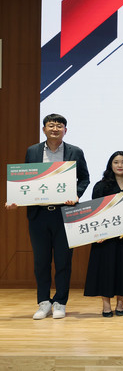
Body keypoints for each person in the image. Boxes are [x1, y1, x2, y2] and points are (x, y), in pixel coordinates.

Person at [5, 114, 89, 320]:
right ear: (44, 129)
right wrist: (16, 200)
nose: (55, 129)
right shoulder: (33, 151)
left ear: (65, 130)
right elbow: (26, 180)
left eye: (59, 126)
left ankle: (60, 302)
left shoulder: (75, 151)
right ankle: (43, 302)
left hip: (64, 214)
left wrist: (76, 195)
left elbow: (84, 178)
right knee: (41, 262)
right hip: (39, 215)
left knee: (63, 261)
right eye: (51, 125)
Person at [84, 151, 123, 317]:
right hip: (106, 235)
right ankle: (106, 305)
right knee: (106, 268)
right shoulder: (101, 186)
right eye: (116, 162)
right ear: (110, 165)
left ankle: (120, 304)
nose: (120, 165)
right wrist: (97, 234)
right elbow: (94, 212)